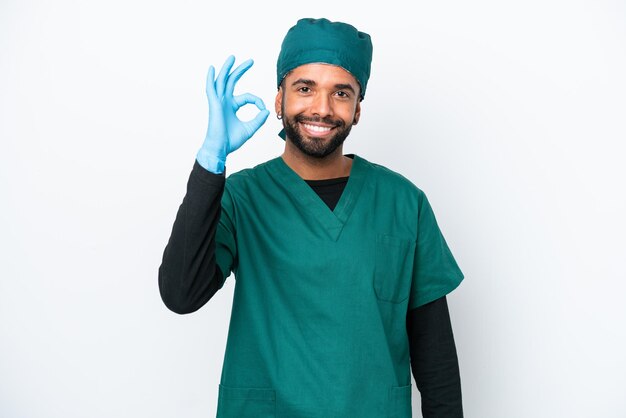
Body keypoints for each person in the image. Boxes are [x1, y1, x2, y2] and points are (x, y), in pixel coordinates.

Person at [159, 17, 465, 418]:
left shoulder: (403, 203)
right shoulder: (242, 197)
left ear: (357, 110)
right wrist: (210, 164)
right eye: (305, 88)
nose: (322, 108)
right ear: (278, 99)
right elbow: (181, 295)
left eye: (341, 92)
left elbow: (435, 354)